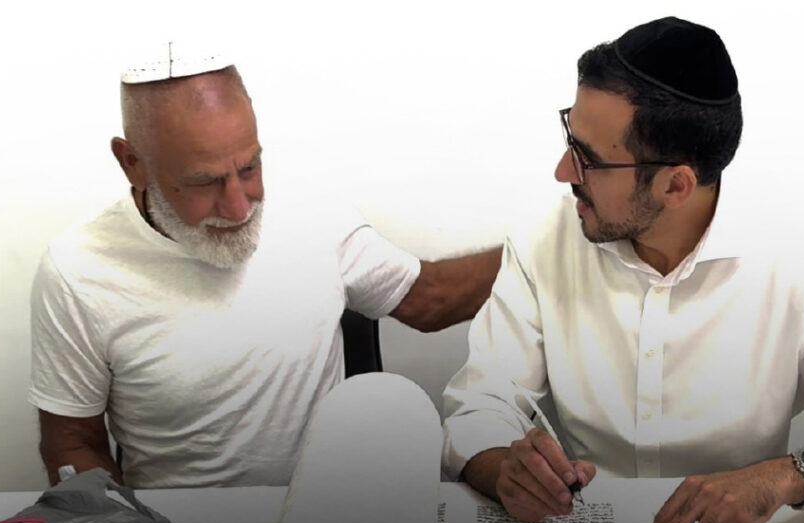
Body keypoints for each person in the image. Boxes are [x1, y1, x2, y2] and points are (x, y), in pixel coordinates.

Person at [441, 16, 804, 523]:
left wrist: (782, 478)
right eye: (570, 139)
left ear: (676, 185)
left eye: (589, 159)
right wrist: (505, 469)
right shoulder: (543, 239)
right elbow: (480, 406)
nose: (561, 171)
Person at [30, 45, 501, 490]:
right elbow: (72, 444)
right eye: (204, 182)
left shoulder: (312, 212)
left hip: (327, 513)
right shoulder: (77, 271)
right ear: (132, 163)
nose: (239, 208)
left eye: (250, 168)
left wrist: (539, 253)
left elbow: (431, 299)